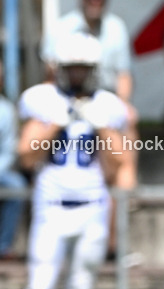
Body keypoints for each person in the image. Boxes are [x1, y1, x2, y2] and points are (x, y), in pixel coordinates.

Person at [0, 34, 126, 289]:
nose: (76, 75)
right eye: (71, 68)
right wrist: (55, 124)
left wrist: (100, 126)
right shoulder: (42, 100)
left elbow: (117, 167)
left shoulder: (107, 106)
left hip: (91, 206)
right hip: (52, 207)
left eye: (83, 68)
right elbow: (26, 156)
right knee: (39, 288)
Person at [42, 0, 136, 260]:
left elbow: (124, 75)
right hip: (66, 111)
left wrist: (119, 111)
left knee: (124, 152)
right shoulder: (61, 27)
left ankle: (115, 237)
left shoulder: (116, 28)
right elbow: (50, 76)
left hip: (102, 106)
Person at [0, 64, 25, 259]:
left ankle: (4, 246)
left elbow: (10, 151)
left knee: (17, 185)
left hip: (1, 172)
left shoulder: (6, 110)